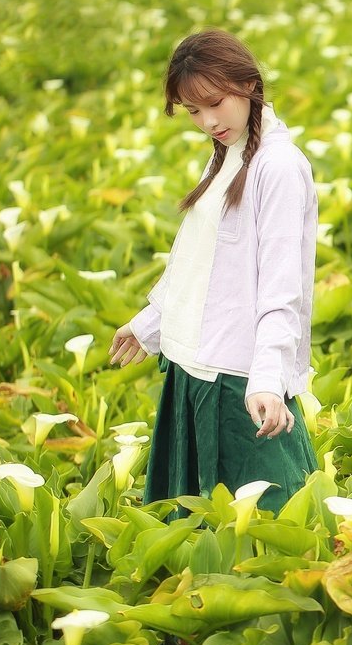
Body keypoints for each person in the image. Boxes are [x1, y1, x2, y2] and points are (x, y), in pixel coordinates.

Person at [108, 28, 318, 514]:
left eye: (215, 102)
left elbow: (282, 287)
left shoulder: (279, 166)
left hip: (238, 377)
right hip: (195, 366)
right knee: (200, 535)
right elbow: (200, 260)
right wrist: (151, 323)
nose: (207, 121)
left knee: (272, 531)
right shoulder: (229, 154)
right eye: (193, 111)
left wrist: (267, 378)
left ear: (247, 84)